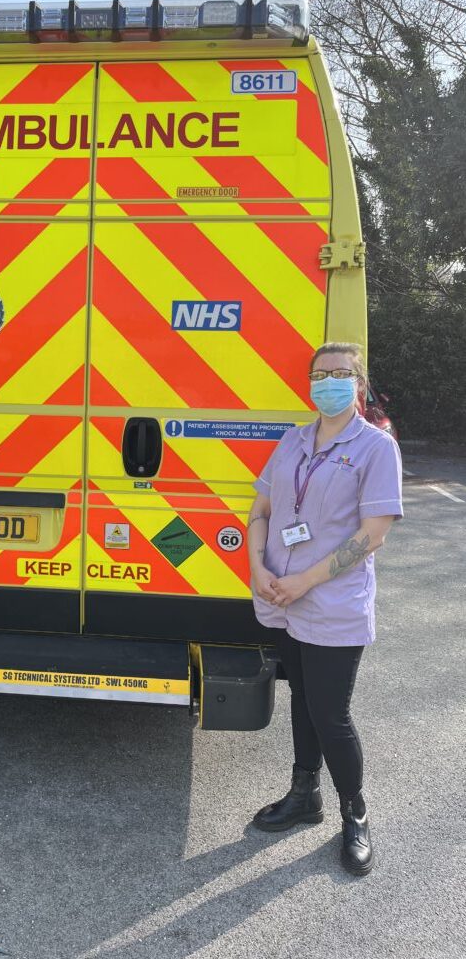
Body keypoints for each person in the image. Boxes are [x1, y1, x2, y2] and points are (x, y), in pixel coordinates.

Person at [247, 342, 402, 876]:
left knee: (331, 714)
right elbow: (261, 508)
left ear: (358, 382)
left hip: (332, 602)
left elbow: (374, 533)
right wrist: (259, 570)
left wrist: (302, 583)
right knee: (303, 701)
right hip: (281, 598)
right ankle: (302, 794)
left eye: (341, 373)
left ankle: (354, 814)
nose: (328, 382)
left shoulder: (375, 447)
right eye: (320, 373)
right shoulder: (293, 440)